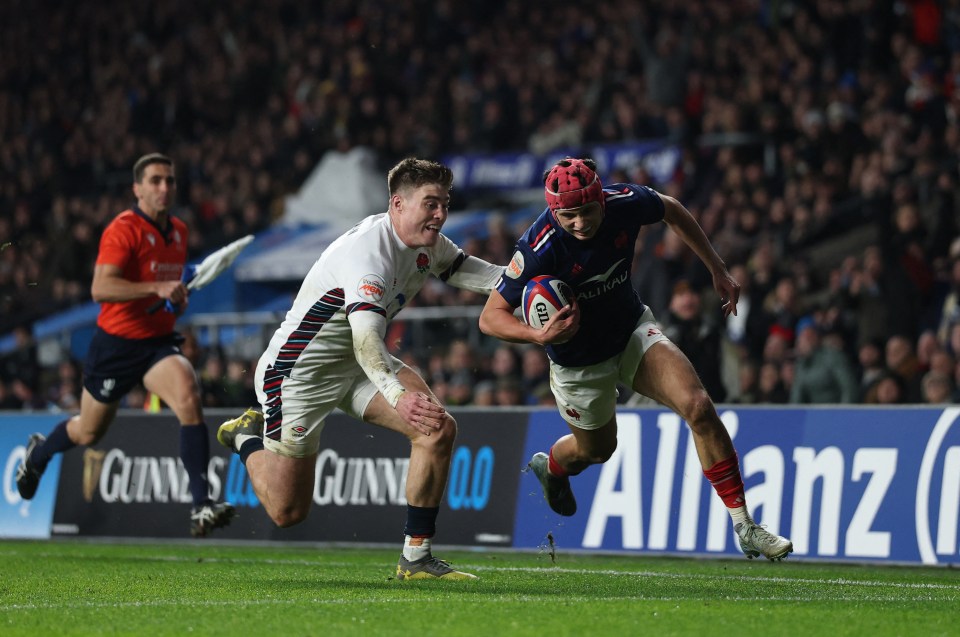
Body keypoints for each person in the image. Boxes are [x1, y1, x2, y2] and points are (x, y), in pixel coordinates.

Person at [478, 157, 793, 561]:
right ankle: (554, 466)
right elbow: (490, 318)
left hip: (630, 331)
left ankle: (744, 525)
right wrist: (537, 334)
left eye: (585, 211)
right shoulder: (539, 247)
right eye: (567, 216)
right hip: (579, 363)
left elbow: (673, 209)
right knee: (596, 451)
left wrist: (716, 266)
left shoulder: (625, 201)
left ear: (601, 201)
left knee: (698, 406)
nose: (578, 223)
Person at [217, 158, 503, 579]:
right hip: (299, 376)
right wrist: (398, 396)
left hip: (355, 365)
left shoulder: (425, 240)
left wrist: (523, 279)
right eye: (430, 204)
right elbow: (367, 340)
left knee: (436, 427)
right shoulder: (369, 255)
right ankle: (244, 436)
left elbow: (465, 271)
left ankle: (416, 559)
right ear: (398, 204)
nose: (440, 214)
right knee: (287, 512)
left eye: (444, 203)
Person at [15, 153, 235, 537]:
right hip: (115, 346)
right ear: (137, 188)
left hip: (156, 344)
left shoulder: (179, 231)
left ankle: (201, 504)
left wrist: (174, 300)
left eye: (169, 180)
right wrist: (157, 288)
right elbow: (101, 288)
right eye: (155, 180)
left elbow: (164, 293)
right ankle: (38, 454)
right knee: (88, 432)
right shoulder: (123, 229)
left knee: (188, 393)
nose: (164, 187)